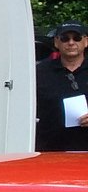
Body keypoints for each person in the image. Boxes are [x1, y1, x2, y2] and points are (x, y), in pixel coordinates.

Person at [35, 22, 88, 152]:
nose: (71, 43)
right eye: (65, 38)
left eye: (77, 38)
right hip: (50, 151)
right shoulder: (39, 72)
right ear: (56, 42)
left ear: (86, 41)